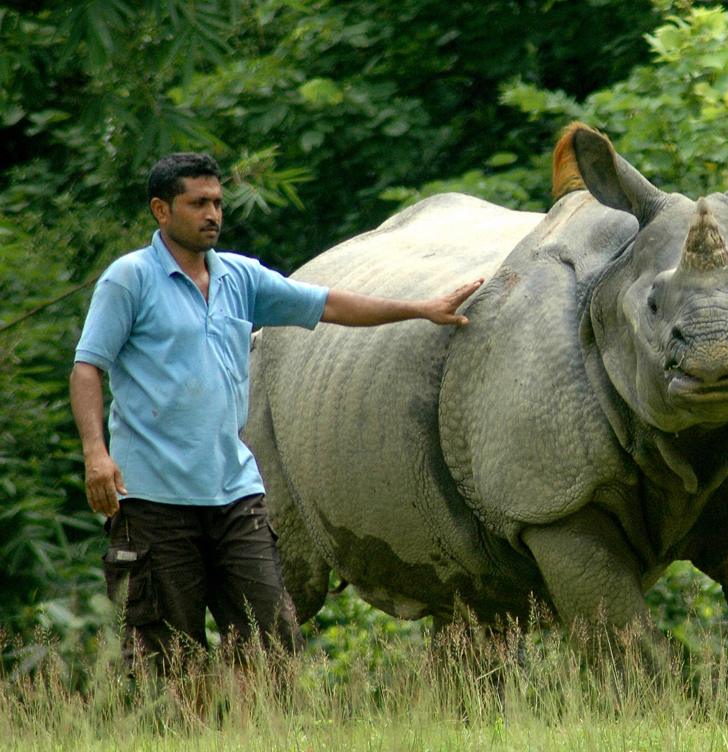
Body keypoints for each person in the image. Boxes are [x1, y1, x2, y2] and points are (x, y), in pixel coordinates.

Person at [70, 152, 482, 671]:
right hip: (153, 499)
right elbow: (88, 367)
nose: (213, 214)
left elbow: (330, 303)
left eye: (217, 202)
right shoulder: (128, 280)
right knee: (168, 656)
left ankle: (253, 729)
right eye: (197, 203)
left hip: (234, 493)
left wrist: (420, 309)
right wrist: (95, 454)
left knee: (273, 640)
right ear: (161, 209)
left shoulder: (240, 276)